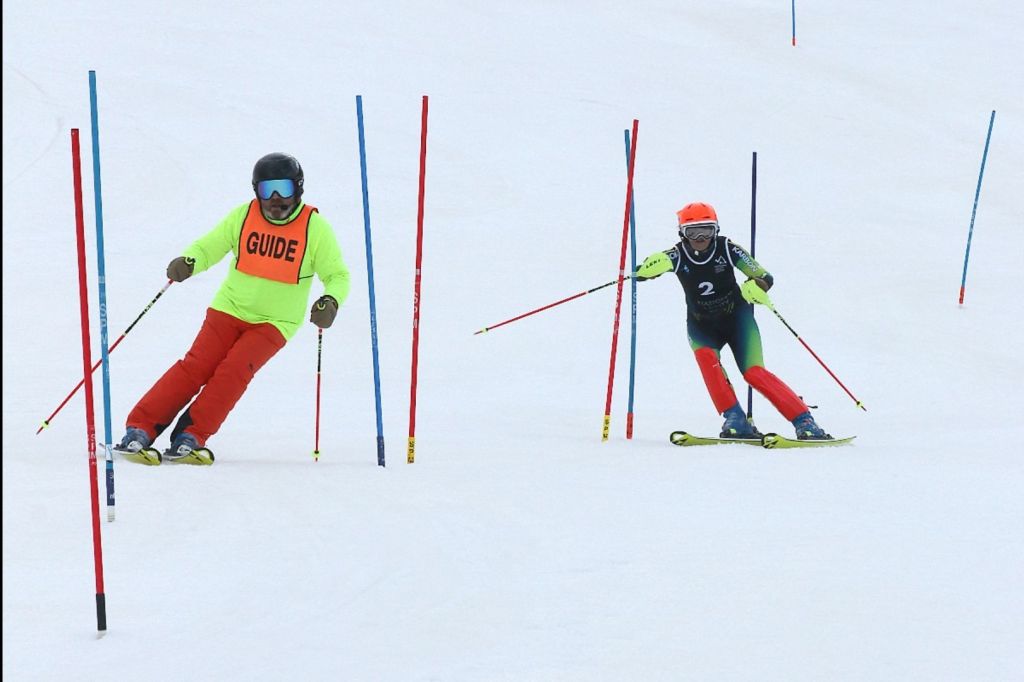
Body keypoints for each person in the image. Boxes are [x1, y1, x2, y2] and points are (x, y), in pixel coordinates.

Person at [114, 153, 351, 464]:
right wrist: (190, 261)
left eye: (283, 188)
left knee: (233, 372)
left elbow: (338, 275)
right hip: (228, 309)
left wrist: (330, 301)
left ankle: (191, 437)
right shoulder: (243, 216)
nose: (276, 199)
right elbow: (210, 245)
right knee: (195, 366)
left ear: (298, 189)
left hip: (275, 322)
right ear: (256, 191)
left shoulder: (315, 228)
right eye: (267, 190)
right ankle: (139, 430)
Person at [635, 201, 831, 440]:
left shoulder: (727, 248)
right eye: (692, 232)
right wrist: (646, 270)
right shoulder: (676, 255)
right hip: (701, 325)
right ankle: (735, 418)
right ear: (682, 234)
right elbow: (647, 270)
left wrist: (756, 286)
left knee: (754, 373)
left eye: (706, 230)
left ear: (715, 229)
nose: (700, 237)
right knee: (707, 361)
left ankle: (805, 421)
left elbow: (763, 275)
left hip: (737, 320)